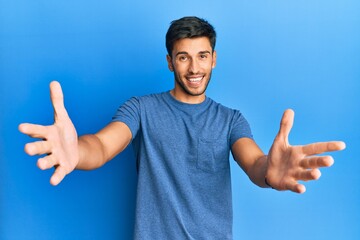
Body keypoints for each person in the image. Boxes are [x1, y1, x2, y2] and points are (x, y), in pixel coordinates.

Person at [19, 16, 345, 239]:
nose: (194, 68)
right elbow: (103, 146)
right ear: (170, 62)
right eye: (183, 57)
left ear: (213, 59)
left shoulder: (231, 119)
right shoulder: (141, 109)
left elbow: (255, 162)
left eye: (202, 56)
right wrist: (76, 152)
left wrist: (269, 174)